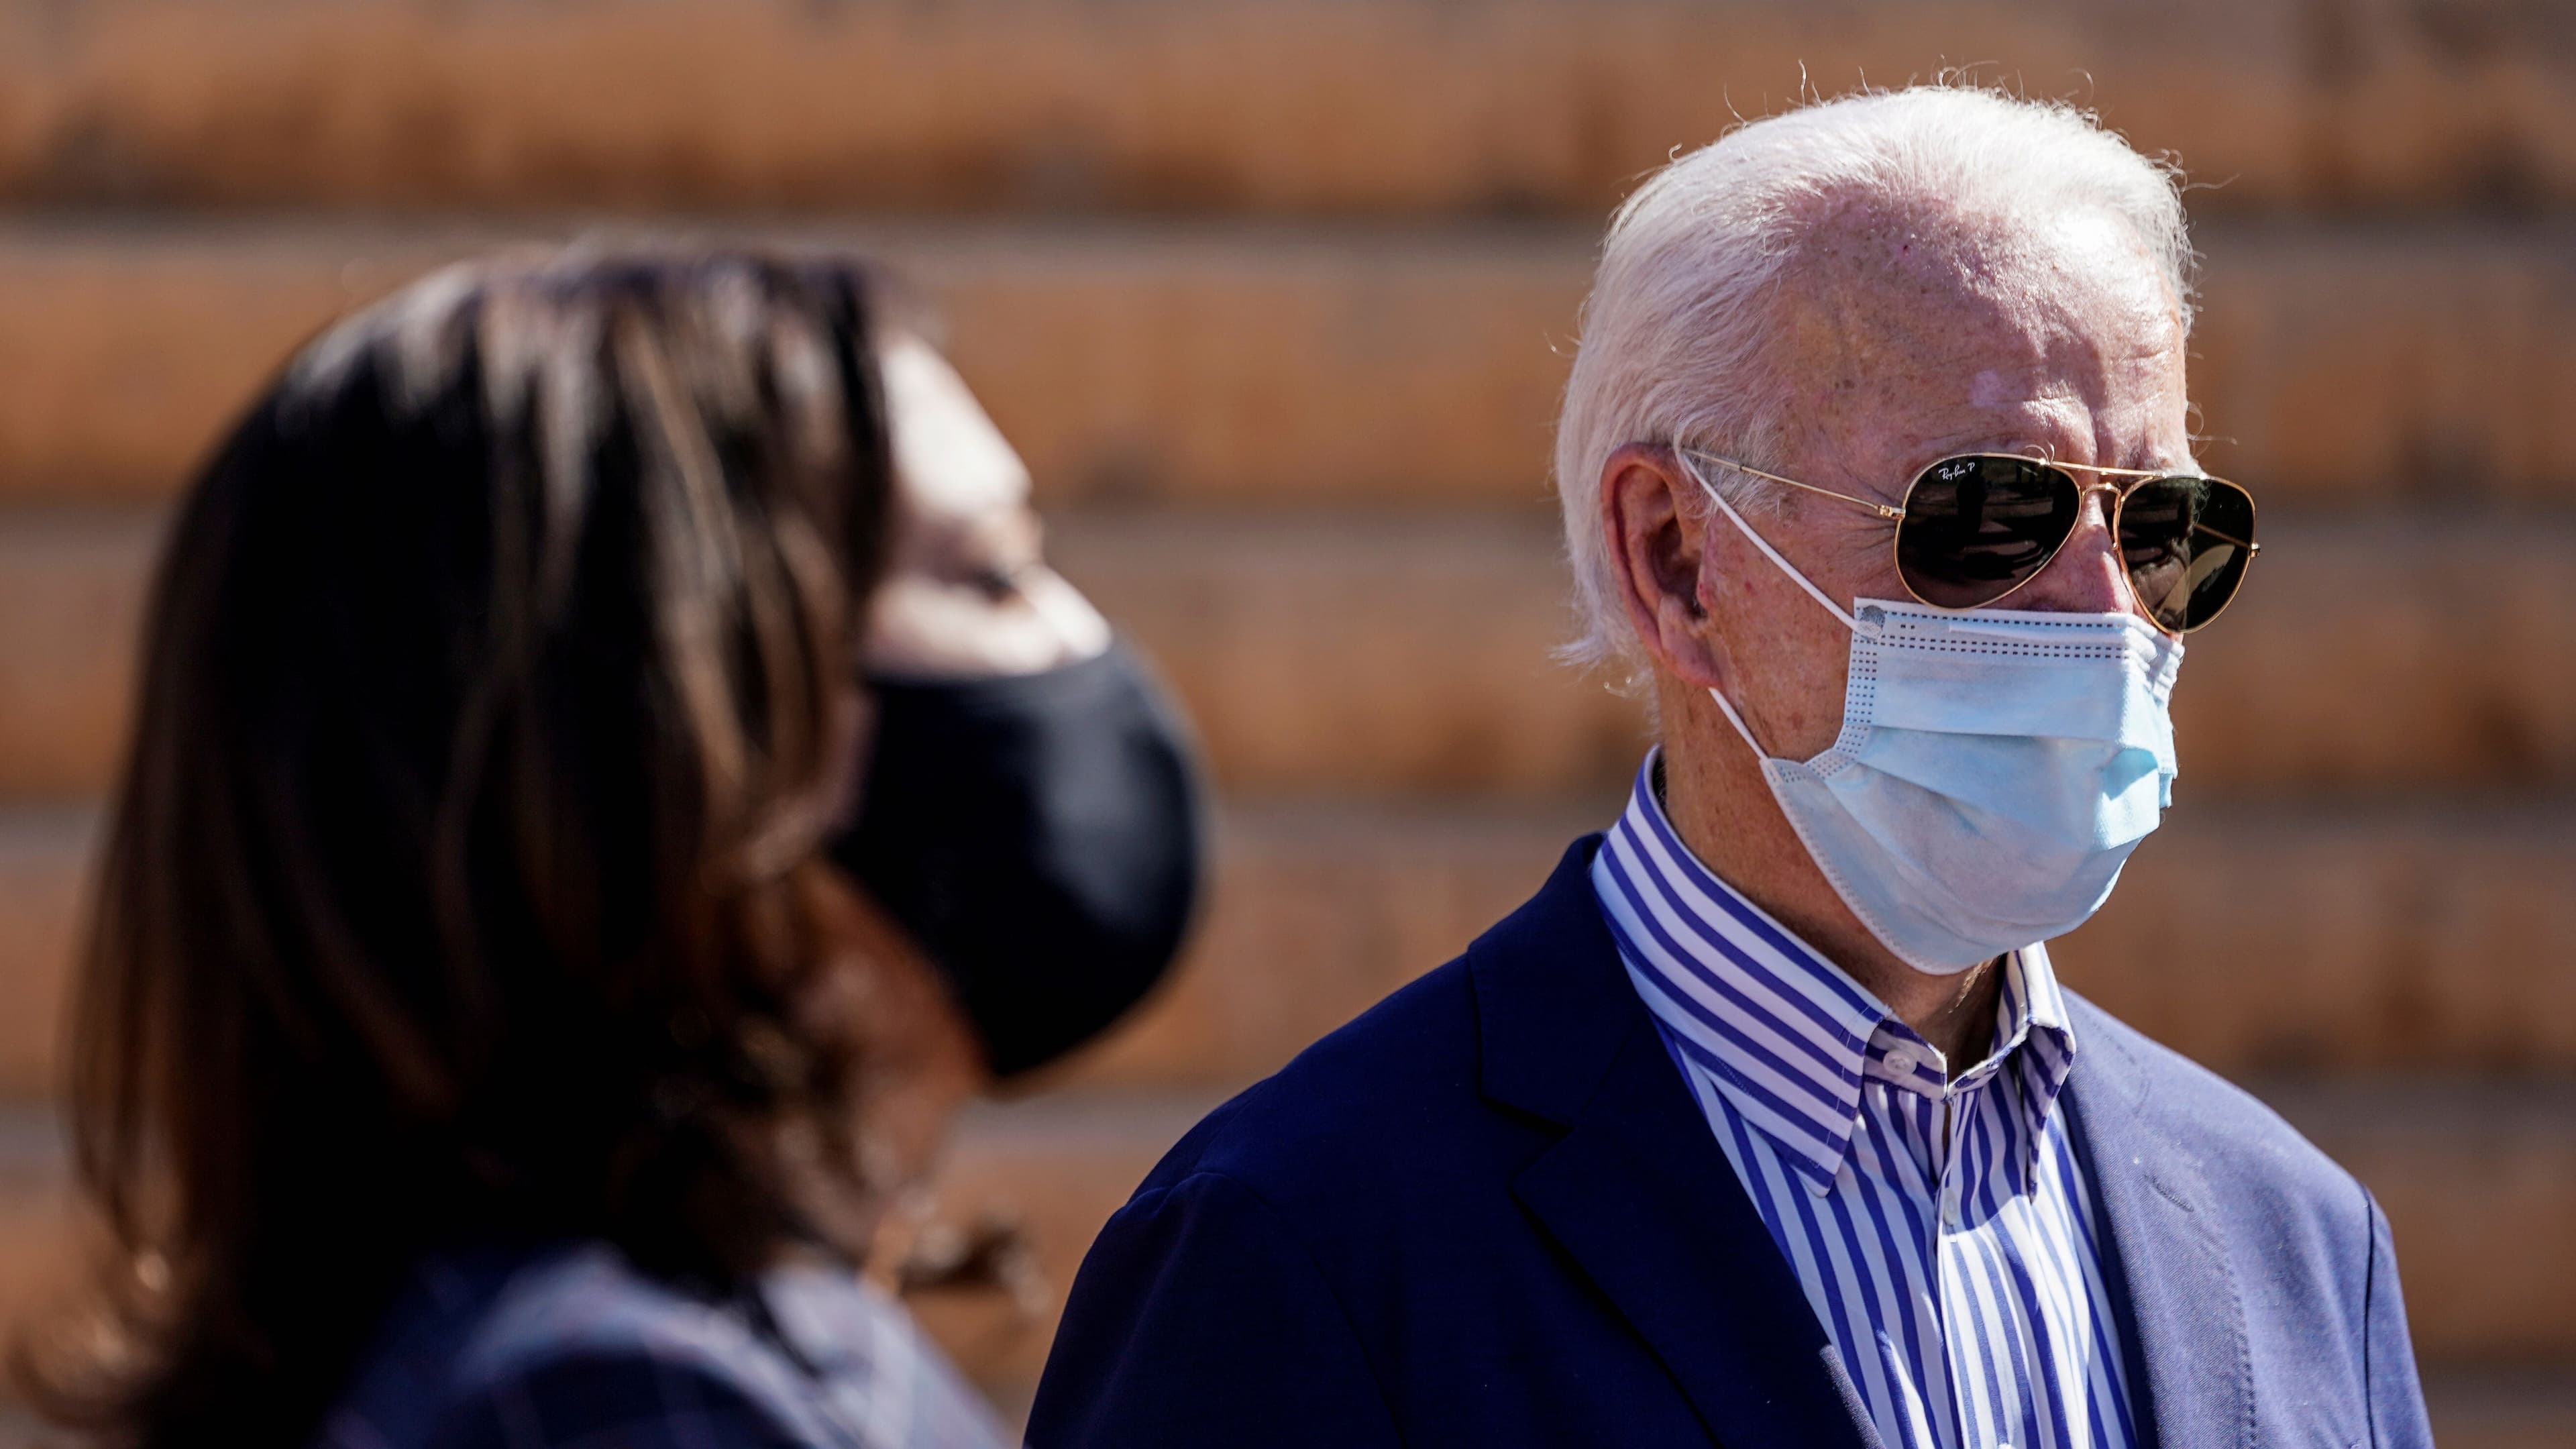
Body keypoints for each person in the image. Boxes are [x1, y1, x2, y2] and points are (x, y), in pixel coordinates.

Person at [1028, 87, 2434, 1449]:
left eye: (2165, 525)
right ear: (1678, 562)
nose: (2107, 611)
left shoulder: (2294, 1239)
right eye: (1991, 511)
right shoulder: (1297, 1245)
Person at [18, 246, 1202, 1448]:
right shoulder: (632, 1400)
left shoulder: (499, 1344)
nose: (1079, 640)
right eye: (991, 574)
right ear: (711, 728)